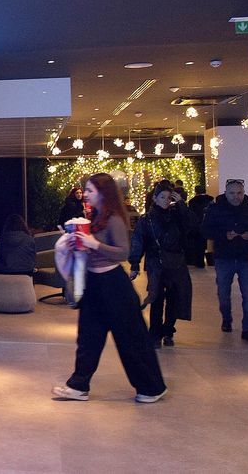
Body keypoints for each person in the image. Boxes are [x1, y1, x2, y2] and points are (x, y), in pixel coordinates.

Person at [51, 172, 167, 403]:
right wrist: (75, 243)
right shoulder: (93, 217)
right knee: (88, 337)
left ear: (103, 193)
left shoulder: (114, 218)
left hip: (114, 285)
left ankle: (151, 387)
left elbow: (123, 253)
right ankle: (78, 385)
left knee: (130, 338)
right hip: (94, 283)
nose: (85, 194)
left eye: (90, 190)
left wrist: (93, 243)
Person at [201, 178, 248, 343]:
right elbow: (205, 230)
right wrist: (224, 235)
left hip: (247, 258)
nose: (236, 196)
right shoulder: (215, 209)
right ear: (226, 193)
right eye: (232, 193)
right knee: (223, 292)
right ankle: (226, 319)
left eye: (239, 193)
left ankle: (247, 329)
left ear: (244, 193)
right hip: (224, 257)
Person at [129, 181, 194, 348]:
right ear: (155, 198)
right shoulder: (147, 220)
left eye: (168, 197)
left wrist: (181, 204)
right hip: (155, 263)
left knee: (174, 298)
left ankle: (168, 330)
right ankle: (155, 333)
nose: (166, 200)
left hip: (175, 262)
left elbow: (192, 224)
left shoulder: (177, 216)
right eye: (162, 197)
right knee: (156, 298)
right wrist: (135, 263)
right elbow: (138, 241)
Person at [187, 185, 215, 267]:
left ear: (196, 191)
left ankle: (199, 262)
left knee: (198, 244)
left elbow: (191, 215)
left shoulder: (192, 201)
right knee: (209, 243)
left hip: (197, 225)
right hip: (208, 224)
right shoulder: (210, 200)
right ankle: (210, 261)